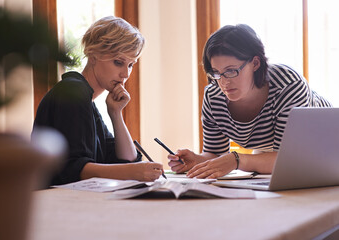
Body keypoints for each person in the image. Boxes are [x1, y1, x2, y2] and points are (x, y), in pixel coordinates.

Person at [168, 24, 332, 179]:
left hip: (325, 142)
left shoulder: (288, 85)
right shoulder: (214, 96)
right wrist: (197, 160)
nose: (224, 82)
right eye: (216, 73)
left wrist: (237, 160)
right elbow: (215, 153)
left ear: (255, 63)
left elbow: (290, 160)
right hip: (274, 152)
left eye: (231, 71)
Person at [32, 16, 163, 186]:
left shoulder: (88, 101)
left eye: (130, 65)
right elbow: (72, 170)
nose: (126, 74)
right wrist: (132, 171)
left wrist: (116, 114)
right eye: (118, 62)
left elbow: (126, 159)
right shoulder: (73, 92)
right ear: (93, 55)